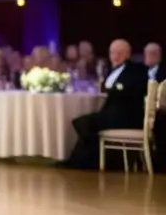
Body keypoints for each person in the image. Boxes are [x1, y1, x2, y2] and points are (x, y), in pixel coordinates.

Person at [61, 39, 148, 169]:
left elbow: (130, 90)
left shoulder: (136, 70)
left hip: (127, 116)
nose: (115, 56)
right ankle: (84, 162)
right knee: (86, 123)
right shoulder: (109, 70)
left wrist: (112, 90)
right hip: (112, 112)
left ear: (128, 54)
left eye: (119, 53)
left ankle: (84, 162)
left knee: (86, 123)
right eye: (112, 53)